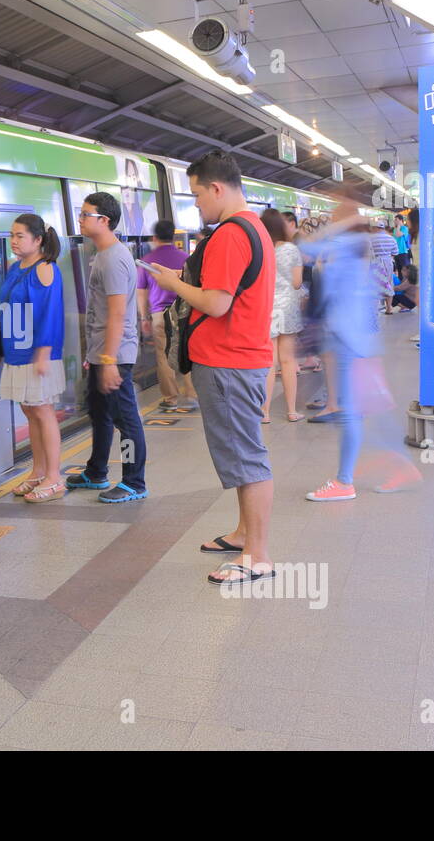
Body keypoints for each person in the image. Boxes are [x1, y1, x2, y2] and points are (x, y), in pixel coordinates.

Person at [150, 150, 276, 585]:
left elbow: (216, 303)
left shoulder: (229, 235)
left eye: (197, 194)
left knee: (248, 458)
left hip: (229, 363)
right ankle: (244, 534)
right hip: (239, 361)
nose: (196, 203)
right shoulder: (255, 228)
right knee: (241, 457)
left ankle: (257, 555)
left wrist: (171, 283)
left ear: (217, 188)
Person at [296, 190, 420, 500]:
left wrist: (342, 221)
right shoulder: (352, 247)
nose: (330, 219)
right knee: (367, 409)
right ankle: (395, 468)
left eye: (335, 214)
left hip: (348, 340)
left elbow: (305, 245)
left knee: (353, 411)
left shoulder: (348, 244)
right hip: (352, 338)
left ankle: (344, 482)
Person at [65, 191, 148, 503]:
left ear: (105, 220)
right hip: (103, 351)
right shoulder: (102, 254)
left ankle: (133, 480)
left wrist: (110, 359)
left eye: (86, 214)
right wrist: (95, 354)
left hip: (115, 354)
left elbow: (116, 314)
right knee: (100, 413)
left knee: (126, 420)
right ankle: (96, 471)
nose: (81, 219)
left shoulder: (113, 259)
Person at [0, 213, 67, 503]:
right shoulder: (16, 267)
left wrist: (43, 353)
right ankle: (38, 472)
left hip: (38, 353)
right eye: (12, 235)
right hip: (17, 350)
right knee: (29, 409)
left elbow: (50, 313)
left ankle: (54, 477)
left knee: (43, 410)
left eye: (20, 236)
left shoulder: (45, 269)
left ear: (38, 240)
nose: (13, 241)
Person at [138, 219, 198, 409]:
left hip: (158, 315)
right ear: (173, 236)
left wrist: (143, 317)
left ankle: (171, 398)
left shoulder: (147, 260)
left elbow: (141, 291)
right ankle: (192, 395)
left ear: (154, 238)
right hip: (182, 313)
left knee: (163, 356)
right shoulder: (185, 257)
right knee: (186, 352)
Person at [260, 208, 304, 423]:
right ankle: (291, 411)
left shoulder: (259, 248)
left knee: (269, 362)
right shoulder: (291, 249)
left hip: (266, 308)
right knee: (288, 361)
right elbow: (297, 283)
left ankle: (265, 412)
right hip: (287, 309)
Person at [369, 222, 398, 315]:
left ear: (376, 228)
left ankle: (374, 310)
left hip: (375, 262)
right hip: (388, 262)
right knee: (388, 284)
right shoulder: (391, 238)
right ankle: (389, 308)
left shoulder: (370, 239)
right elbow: (395, 253)